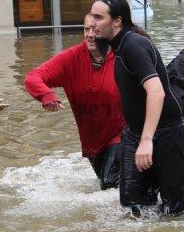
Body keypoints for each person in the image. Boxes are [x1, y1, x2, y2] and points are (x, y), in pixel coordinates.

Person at [89, 0, 184, 217]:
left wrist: (147, 140)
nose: (92, 22)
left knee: (177, 212)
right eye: (92, 16)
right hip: (135, 134)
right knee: (133, 208)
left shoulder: (133, 46)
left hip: (170, 135)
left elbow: (156, 92)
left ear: (117, 21)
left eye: (99, 17)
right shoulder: (115, 46)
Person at [24, 14, 123, 190]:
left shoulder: (123, 56)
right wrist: (46, 95)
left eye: (96, 29)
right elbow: (33, 77)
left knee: (109, 185)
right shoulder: (71, 59)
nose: (90, 34)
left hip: (121, 134)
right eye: (86, 29)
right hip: (92, 142)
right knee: (107, 187)